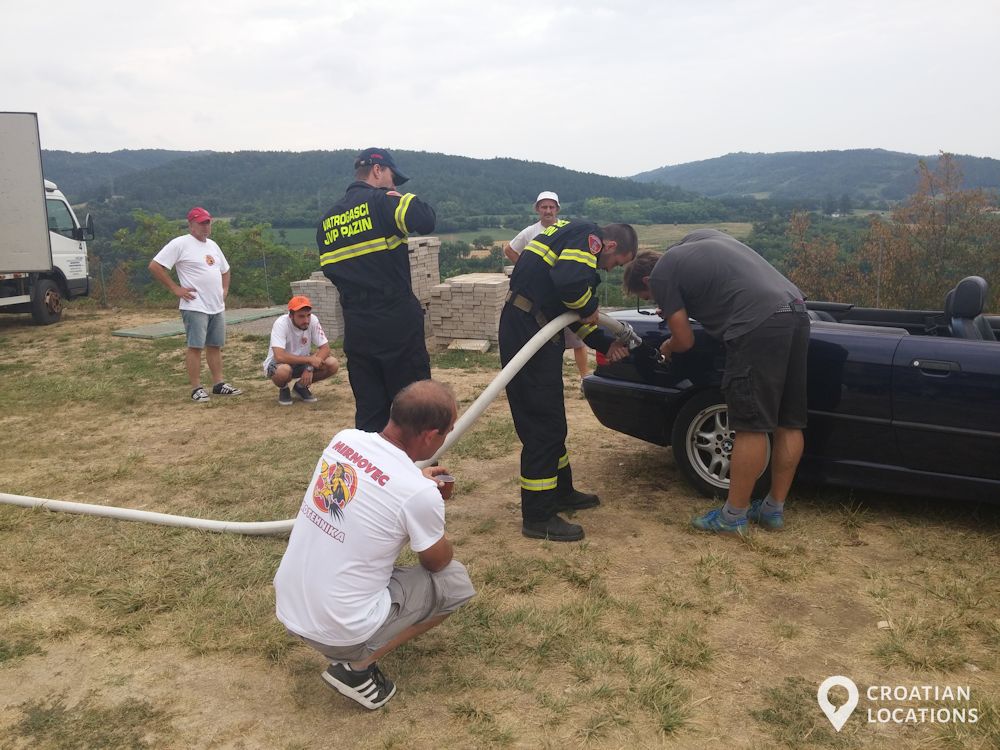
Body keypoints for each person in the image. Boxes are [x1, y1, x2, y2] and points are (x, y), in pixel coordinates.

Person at [273, 380, 475, 710]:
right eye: (447, 431)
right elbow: (436, 562)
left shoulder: (344, 440)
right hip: (337, 629)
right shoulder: (418, 494)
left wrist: (416, 484)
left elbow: (377, 480)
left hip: (291, 606)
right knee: (454, 581)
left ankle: (351, 648)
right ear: (429, 435)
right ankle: (356, 668)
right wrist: (430, 510)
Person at [622, 229, 810, 535]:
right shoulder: (698, 240)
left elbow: (684, 340)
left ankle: (733, 517)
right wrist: (678, 305)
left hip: (757, 324)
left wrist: (667, 346)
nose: (655, 299)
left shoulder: (661, 274)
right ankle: (773, 509)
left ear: (647, 281)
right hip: (795, 311)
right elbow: (719, 290)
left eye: (650, 297)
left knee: (750, 424)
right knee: (788, 421)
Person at [499, 219, 638, 542]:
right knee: (542, 425)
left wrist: (605, 343)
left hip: (534, 328)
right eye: (617, 263)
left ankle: (560, 492)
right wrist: (590, 305)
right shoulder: (587, 238)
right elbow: (571, 287)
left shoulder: (571, 241)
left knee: (552, 420)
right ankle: (538, 516)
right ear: (610, 245)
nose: (611, 269)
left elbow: (570, 312)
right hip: (528, 331)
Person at [316, 148, 436, 432]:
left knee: (370, 411)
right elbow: (425, 218)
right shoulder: (383, 202)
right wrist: (395, 197)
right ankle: (412, 461)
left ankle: (373, 461)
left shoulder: (326, 222)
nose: (394, 185)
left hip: (357, 326)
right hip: (396, 321)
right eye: (393, 178)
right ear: (378, 170)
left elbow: (331, 271)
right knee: (413, 409)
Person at [148, 207, 242, 402]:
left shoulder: (213, 245)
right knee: (195, 346)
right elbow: (155, 266)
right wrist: (175, 288)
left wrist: (224, 290)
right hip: (195, 305)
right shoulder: (180, 243)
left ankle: (218, 383)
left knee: (215, 345)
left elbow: (225, 270)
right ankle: (196, 387)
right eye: (201, 223)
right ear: (191, 225)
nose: (205, 226)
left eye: (208, 222)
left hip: (216, 305)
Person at [504, 191, 591, 379]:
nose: (548, 211)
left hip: (563, 292)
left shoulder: (566, 229)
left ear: (557, 209)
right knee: (545, 339)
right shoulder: (530, 232)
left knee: (577, 340)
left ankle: (585, 378)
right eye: (544, 207)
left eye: (551, 207)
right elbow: (509, 249)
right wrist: (526, 270)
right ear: (537, 209)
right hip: (542, 297)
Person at [263, 295, 340, 406]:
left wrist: (309, 368)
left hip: (302, 363)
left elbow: (325, 348)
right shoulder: (281, 323)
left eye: (308, 315)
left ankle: (300, 387)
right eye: (301, 316)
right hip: (279, 364)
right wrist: (309, 360)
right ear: (291, 315)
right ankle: (283, 388)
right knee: (283, 371)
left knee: (332, 364)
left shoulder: (313, 320)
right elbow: (279, 356)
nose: (306, 320)